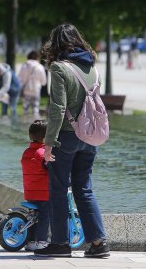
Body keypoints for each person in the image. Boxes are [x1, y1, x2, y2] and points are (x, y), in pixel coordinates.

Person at [35, 24, 109, 258]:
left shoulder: (59, 68)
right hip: (89, 137)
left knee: (57, 189)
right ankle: (98, 243)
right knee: (84, 189)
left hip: (66, 137)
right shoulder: (92, 68)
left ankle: (60, 243)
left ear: (55, 45)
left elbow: (57, 107)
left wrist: (48, 143)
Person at [21, 120, 50, 251]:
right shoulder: (44, 153)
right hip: (44, 194)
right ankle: (42, 241)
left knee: (33, 216)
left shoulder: (26, 152)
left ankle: (30, 242)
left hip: (30, 193)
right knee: (45, 216)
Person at [18, 51, 47, 117]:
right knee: (35, 109)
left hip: (26, 89)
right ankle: (36, 125)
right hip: (36, 90)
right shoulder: (40, 67)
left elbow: (19, 78)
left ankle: (24, 124)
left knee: (25, 109)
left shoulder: (24, 66)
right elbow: (44, 82)